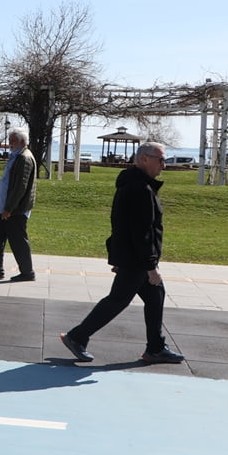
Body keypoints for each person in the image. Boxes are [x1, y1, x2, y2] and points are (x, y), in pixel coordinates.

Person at [60, 142, 185, 364]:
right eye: (160, 160)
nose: (163, 165)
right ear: (144, 159)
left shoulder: (136, 185)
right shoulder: (140, 189)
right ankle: (77, 336)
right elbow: (141, 232)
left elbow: (122, 225)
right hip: (137, 260)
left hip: (132, 257)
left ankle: (155, 347)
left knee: (155, 295)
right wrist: (150, 265)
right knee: (118, 300)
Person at [0, 128, 37, 282]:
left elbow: (20, 187)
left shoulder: (24, 158)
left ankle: (27, 272)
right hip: (6, 208)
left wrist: (9, 208)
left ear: (23, 142)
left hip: (15, 210)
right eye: (10, 140)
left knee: (18, 241)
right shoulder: (16, 156)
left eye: (13, 140)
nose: (10, 143)